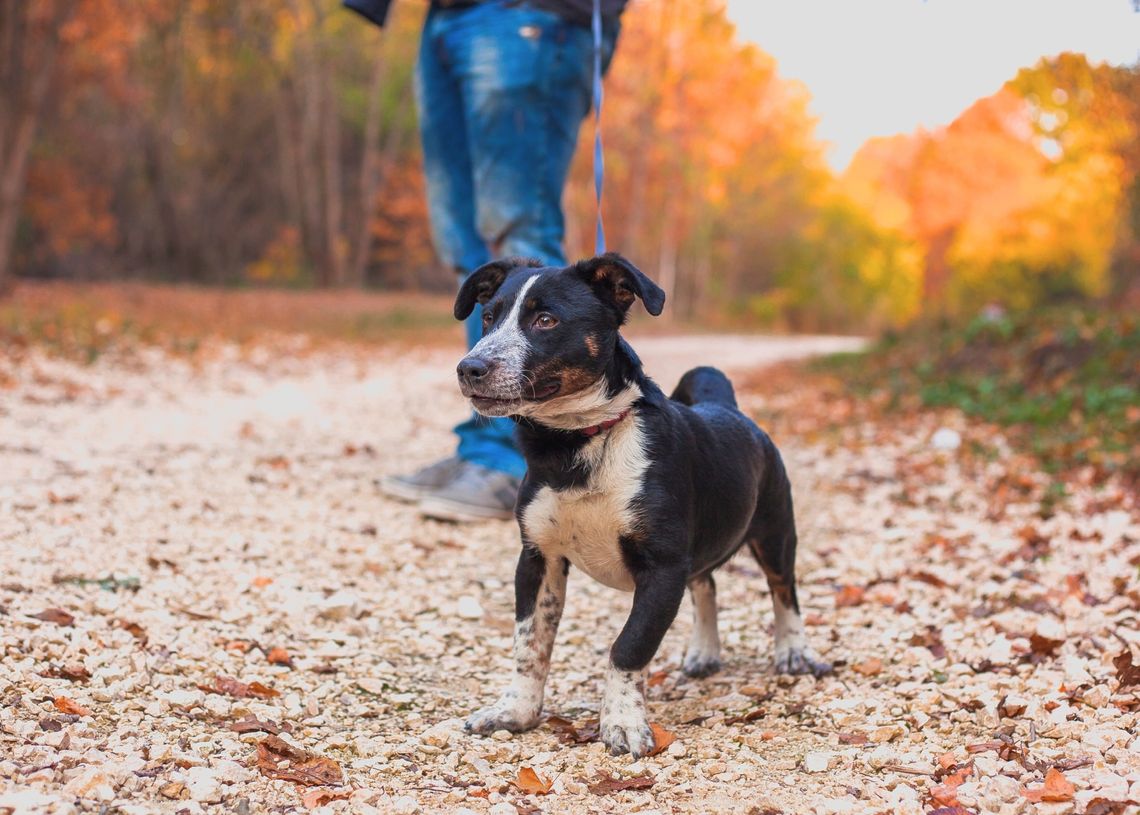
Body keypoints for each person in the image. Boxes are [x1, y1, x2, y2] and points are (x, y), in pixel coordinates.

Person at [346, 0, 626, 522]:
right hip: (444, 15)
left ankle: (522, 460)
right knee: (467, 249)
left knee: (520, 233)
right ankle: (483, 444)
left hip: (528, 14)